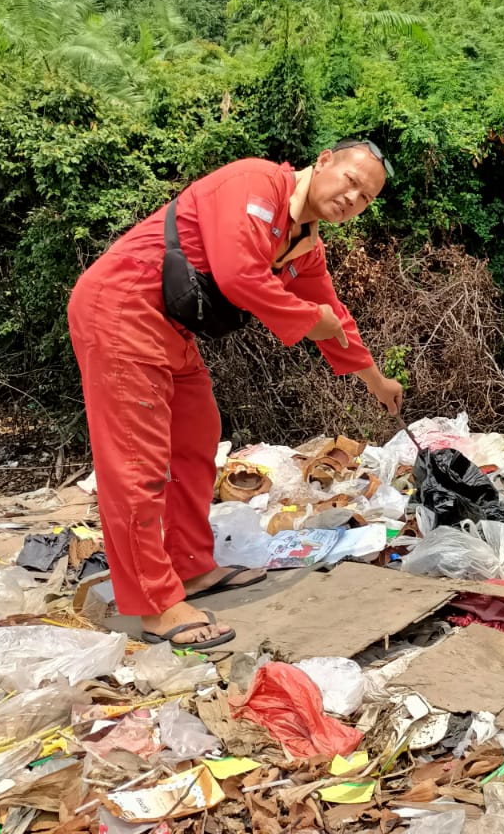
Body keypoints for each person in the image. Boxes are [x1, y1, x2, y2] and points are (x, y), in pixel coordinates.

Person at [68, 141, 405, 649]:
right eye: (350, 181)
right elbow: (238, 274)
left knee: (198, 435)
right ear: (325, 162)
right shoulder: (255, 183)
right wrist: (312, 322)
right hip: (123, 309)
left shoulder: (304, 244)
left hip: (171, 330)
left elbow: (333, 316)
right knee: (137, 463)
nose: (352, 197)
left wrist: (377, 381)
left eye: (365, 197)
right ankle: (154, 603)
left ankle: (190, 565)